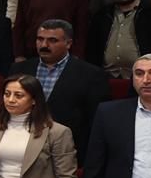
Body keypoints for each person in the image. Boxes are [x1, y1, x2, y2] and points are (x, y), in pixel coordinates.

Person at [9, 20, 106, 165]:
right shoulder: (19, 69)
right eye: (40, 39)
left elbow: (95, 121)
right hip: (20, 145)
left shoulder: (91, 75)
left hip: (66, 151)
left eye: (52, 40)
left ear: (68, 43)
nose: (44, 45)